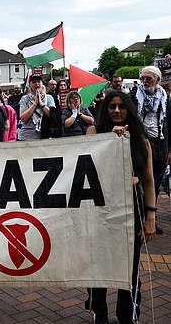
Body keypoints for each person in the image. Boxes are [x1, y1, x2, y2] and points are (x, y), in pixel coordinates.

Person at [85, 91, 156, 324]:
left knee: (130, 264)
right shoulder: (94, 133)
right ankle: (99, 311)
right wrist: (108, 143)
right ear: (104, 110)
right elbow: (85, 167)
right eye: (111, 106)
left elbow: (148, 180)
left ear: (129, 110)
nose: (116, 111)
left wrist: (150, 218)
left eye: (121, 107)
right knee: (100, 262)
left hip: (131, 207)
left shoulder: (141, 139)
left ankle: (127, 313)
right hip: (100, 209)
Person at [129, 66, 171, 235]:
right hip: (138, 145)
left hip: (159, 146)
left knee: (154, 182)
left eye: (149, 78)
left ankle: (150, 218)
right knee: (139, 182)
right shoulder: (132, 98)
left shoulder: (166, 100)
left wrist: (169, 150)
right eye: (143, 78)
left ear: (157, 80)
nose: (145, 81)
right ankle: (137, 219)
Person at [19, 73, 55, 141]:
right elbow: (23, 118)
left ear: (42, 84)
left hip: (45, 134)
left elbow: (53, 115)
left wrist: (41, 104)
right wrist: (35, 104)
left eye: (39, 81)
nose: (36, 84)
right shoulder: (25, 99)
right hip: (28, 135)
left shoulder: (49, 98)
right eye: (34, 82)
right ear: (30, 84)